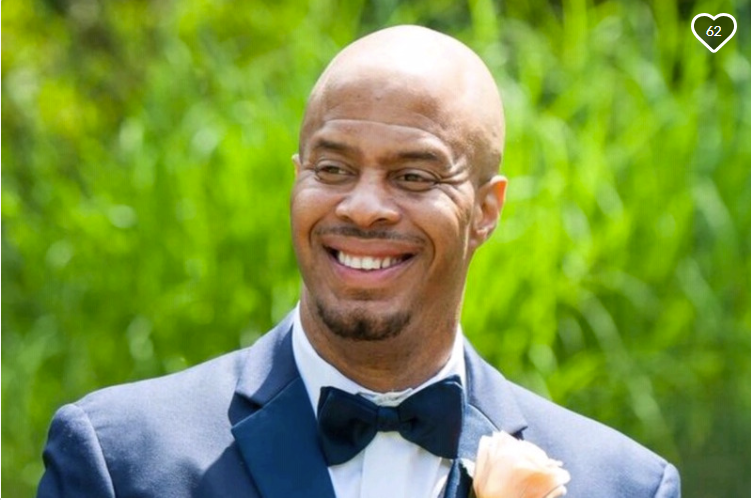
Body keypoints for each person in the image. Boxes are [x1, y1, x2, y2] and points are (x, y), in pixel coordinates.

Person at [38, 25, 681, 498]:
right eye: (333, 169)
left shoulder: (619, 486)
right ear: (296, 179)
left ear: (486, 211)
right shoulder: (120, 460)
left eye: (414, 176)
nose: (365, 207)